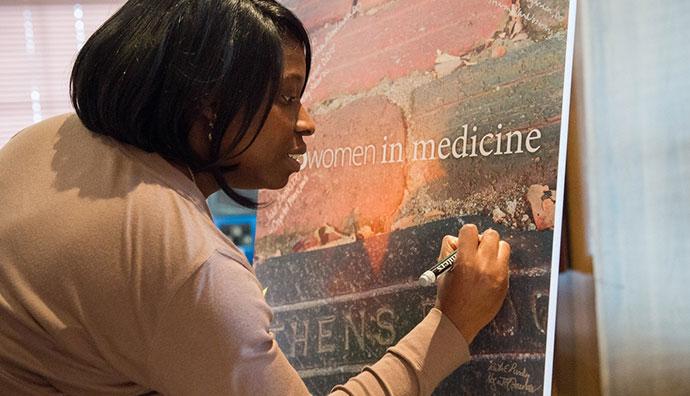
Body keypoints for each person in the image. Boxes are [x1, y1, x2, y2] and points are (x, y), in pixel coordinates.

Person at [0, 0, 510, 394]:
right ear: (207, 112)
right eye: (287, 98)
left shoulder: (44, 142)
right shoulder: (189, 266)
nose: (307, 122)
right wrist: (451, 324)